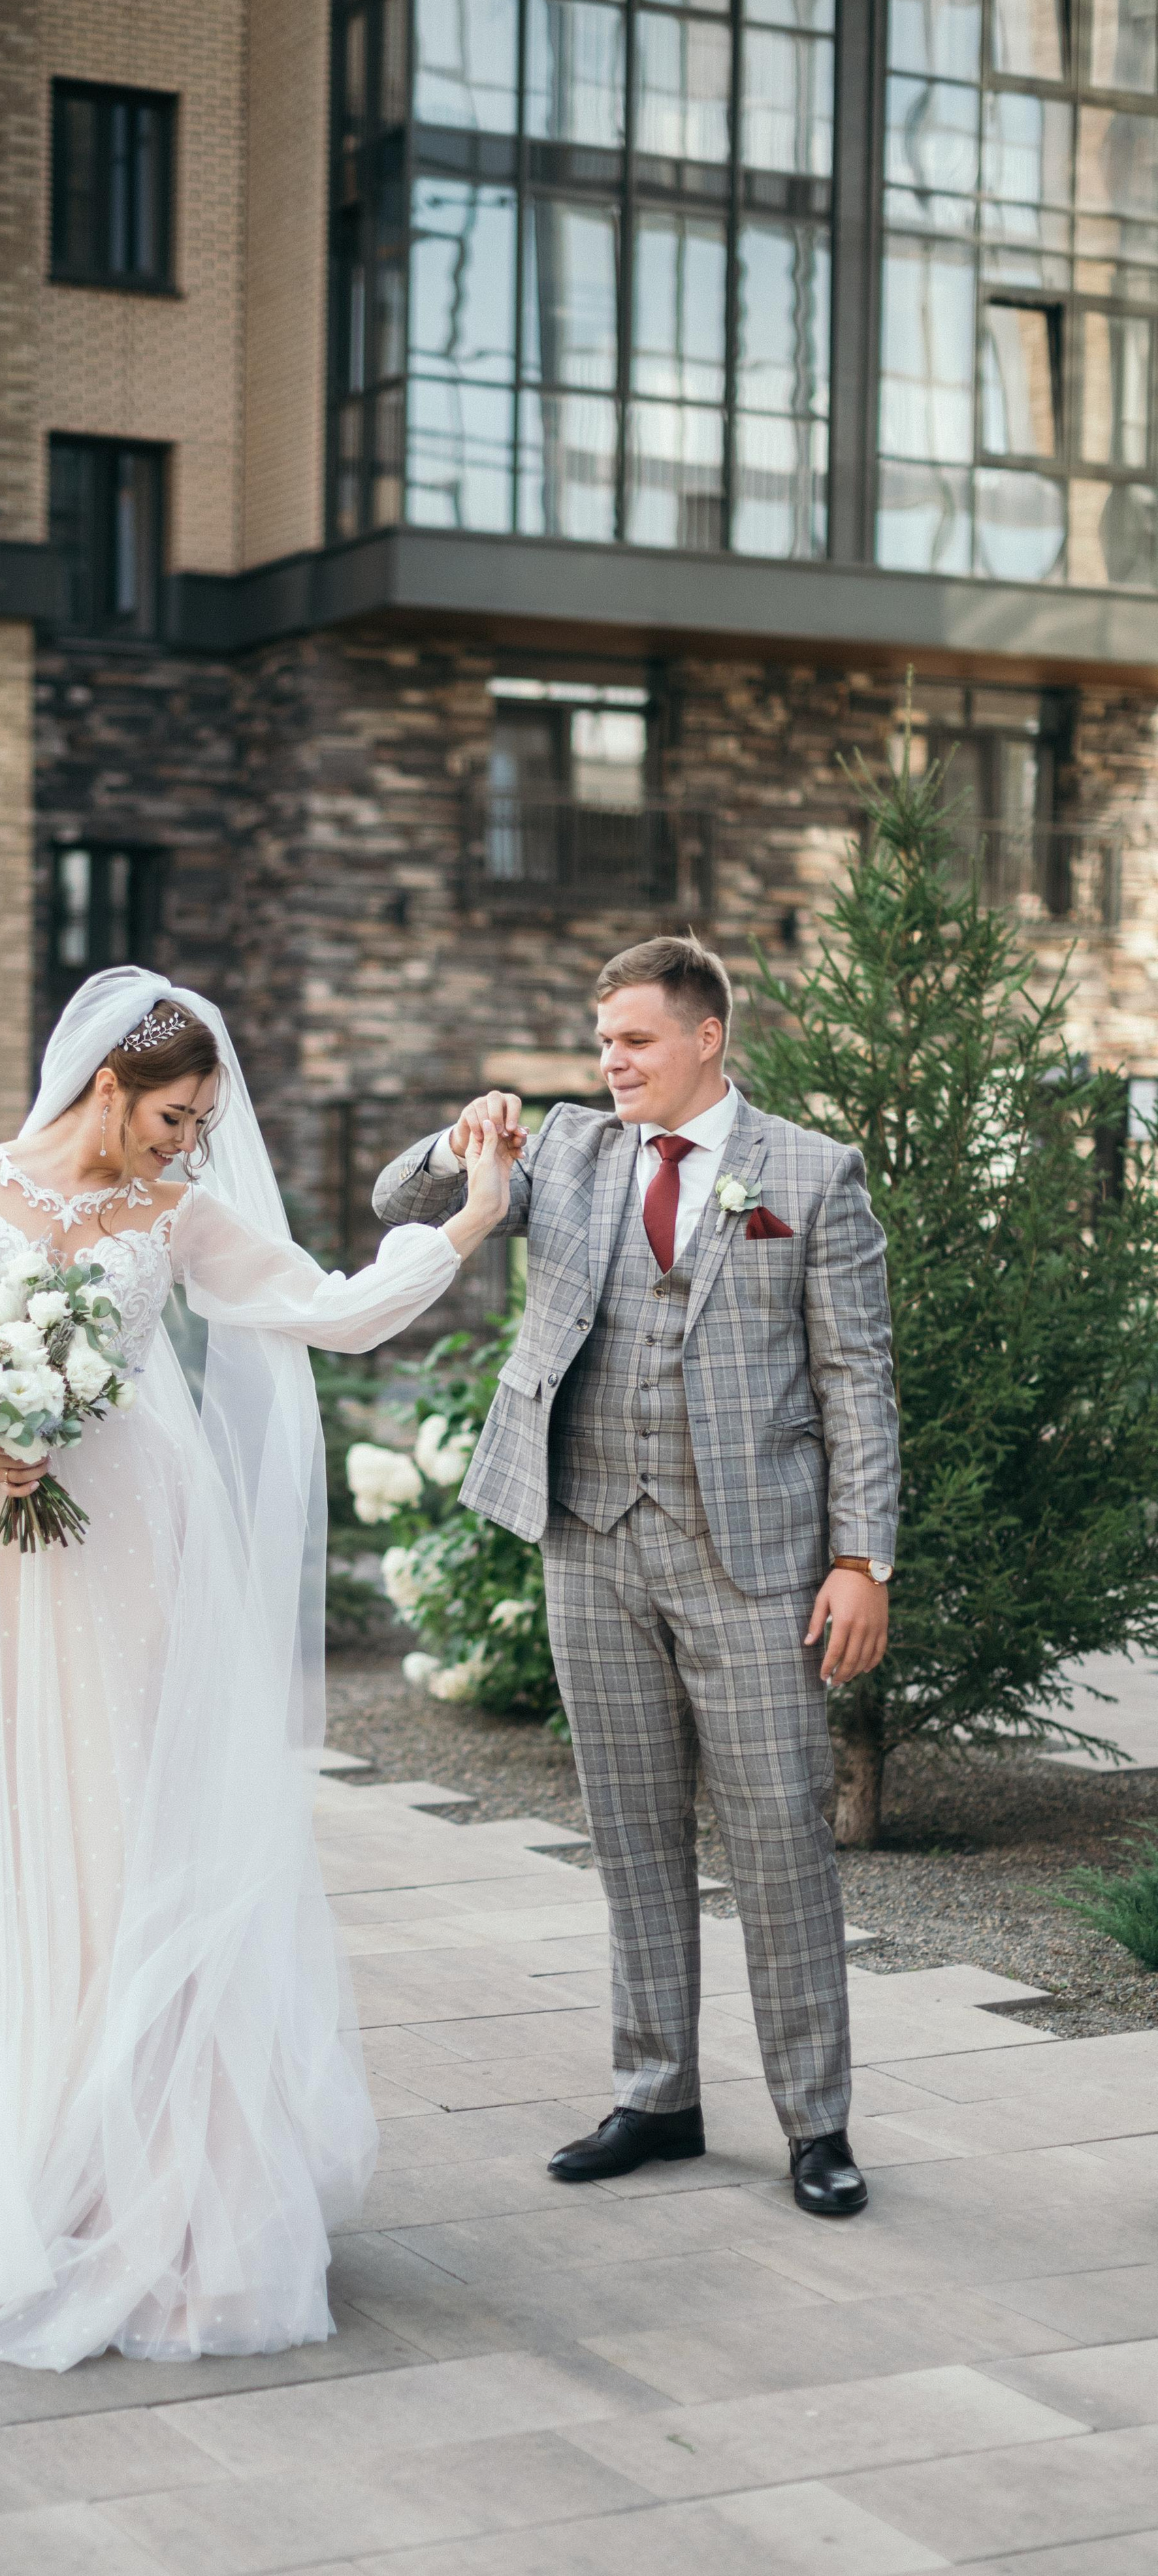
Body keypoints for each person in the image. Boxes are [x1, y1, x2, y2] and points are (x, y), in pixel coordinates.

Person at [0, 967, 511, 2368]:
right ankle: (33, 2173)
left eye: (202, 1121)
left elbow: (328, 1308)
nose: (185, 1142)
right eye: (172, 1116)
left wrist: (474, 1216)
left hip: (140, 1539)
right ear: (105, 1087)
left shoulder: (178, 1215)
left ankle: (158, 2184)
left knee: (139, 1832)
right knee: (22, 1837)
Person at [373, 934, 898, 2219]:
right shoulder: (561, 1148)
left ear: (707, 1037)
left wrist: (860, 1558)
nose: (612, 1063)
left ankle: (815, 2123)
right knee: (630, 1827)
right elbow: (399, 1204)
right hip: (589, 1536)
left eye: (636, 1041)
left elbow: (856, 1380)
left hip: (756, 1556)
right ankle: (657, 2093)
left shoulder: (811, 1176)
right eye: (602, 1042)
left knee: (780, 1838)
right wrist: (457, 1147)